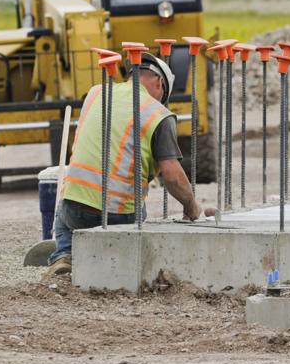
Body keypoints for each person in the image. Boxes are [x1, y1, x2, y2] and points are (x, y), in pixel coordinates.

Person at [47, 52, 212, 276]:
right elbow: (172, 177)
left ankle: (64, 255)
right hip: (119, 215)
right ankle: (120, 261)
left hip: (74, 209)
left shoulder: (96, 93)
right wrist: (192, 207)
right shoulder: (159, 114)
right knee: (136, 204)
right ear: (159, 83)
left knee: (67, 202)